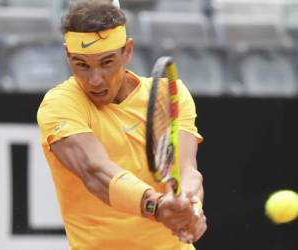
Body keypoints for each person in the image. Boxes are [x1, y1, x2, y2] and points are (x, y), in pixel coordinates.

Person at [37, 0, 207, 249]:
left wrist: (190, 206)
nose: (95, 80)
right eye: (81, 64)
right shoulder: (59, 104)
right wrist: (157, 207)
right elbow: (95, 172)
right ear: (67, 55)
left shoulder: (169, 92)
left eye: (107, 62)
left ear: (127, 51)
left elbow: (188, 171)